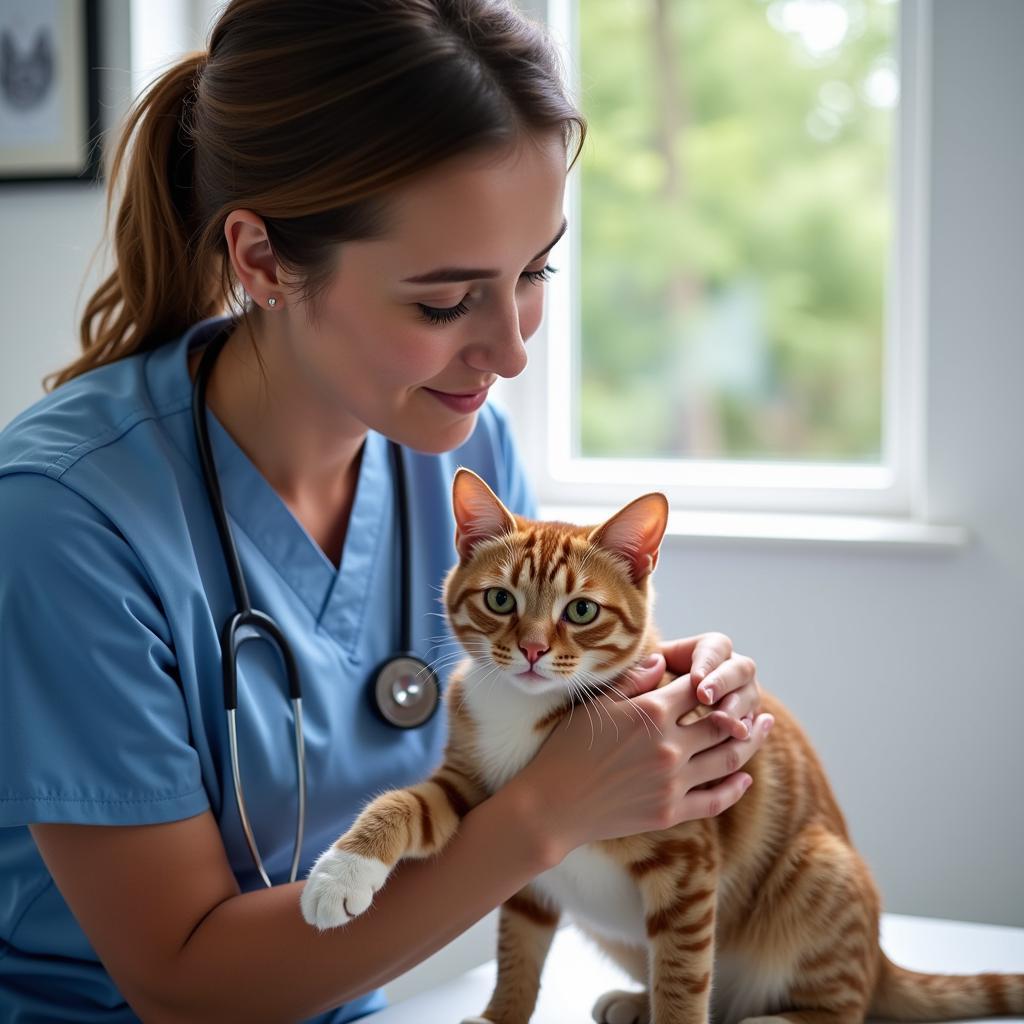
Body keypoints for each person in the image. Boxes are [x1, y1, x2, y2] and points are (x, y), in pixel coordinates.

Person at [0, 1, 772, 1020]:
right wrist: (549, 809)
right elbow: (181, 986)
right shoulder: (63, 518)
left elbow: (533, 731)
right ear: (264, 261)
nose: (510, 352)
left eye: (533, 271)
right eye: (445, 301)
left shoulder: (455, 445)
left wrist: (660, 698)